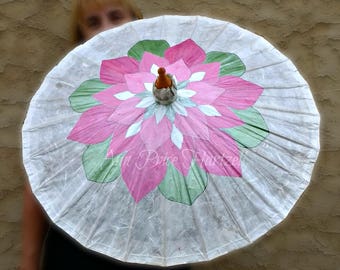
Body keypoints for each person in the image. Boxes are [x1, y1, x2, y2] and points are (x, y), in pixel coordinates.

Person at [21, 1, 190, 269]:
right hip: (77, 248)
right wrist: (29, 261)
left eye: (115, 16)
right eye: (93, 22)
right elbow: (39, 177)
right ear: (82, 36)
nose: (106, 29)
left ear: (136, 21)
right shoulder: (65, 95)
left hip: (155, 247)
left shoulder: (171, 86)